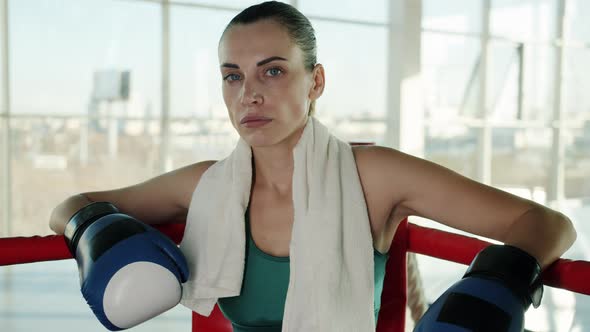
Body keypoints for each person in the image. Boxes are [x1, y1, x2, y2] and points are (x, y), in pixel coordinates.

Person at [49, 1, 577, 331]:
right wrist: (91, 230)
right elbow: (72, 205)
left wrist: (491, 291)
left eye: (272, 71)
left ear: (316, 82)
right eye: (233, 76)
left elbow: (548, 224)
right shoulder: (206, 183)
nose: (249, 94)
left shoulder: (375, 176)